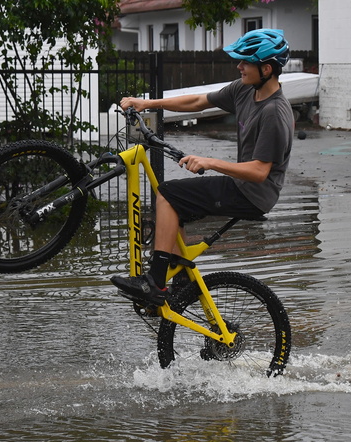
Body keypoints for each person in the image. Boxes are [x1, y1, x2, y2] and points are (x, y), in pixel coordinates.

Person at [112, 28, 294, 305]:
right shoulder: (244, 90)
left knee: (168, 194)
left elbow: (260, 172)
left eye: (245, 62)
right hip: (241, 185)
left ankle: (155, 283)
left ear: (266, 68)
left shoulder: (274, 113)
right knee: (176, 203)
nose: (239, 66)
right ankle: (183, 279)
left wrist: (210, 162)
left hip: (254, 193)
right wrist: (148, 103)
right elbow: (198, 102)